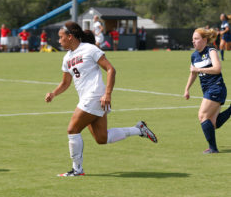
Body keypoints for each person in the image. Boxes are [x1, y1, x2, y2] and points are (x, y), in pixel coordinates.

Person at [45, 21, 157, 177]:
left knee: (72, 130)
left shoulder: (90, 49)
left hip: (95, 96)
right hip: (87, 98)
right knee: (102, 138)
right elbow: (65, 83)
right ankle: (139, 129)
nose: (59, 40)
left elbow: (111, 69)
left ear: (70, 37)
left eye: (61, 37)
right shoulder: (66, 58)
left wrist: (108, 94)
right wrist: (53, 93)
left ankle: (77, 170)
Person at [184, 28, 231, 154]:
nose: (193, 41)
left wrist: (199, 70)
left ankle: (213, 148)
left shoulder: (211, 51)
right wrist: (187, 89)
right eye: (193, 39)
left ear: (204, 40)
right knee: (212, 124)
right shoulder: (194, 55)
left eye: (196, 39)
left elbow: (217, 69)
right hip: (208, 90)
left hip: (216, 87)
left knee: (202, 116)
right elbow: (193, 73)